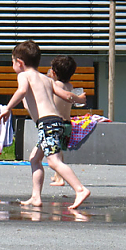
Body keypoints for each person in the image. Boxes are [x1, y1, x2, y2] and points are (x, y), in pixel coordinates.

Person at [0, 40, 90, 210]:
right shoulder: (46, 80)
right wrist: (80, 99)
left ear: (20, 62)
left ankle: (80, 189)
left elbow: (22, 91)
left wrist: (7, 108)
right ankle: (36, 196)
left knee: (53, 161)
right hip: (56, 122)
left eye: (12, 62)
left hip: (47, 124)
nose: (13, 66)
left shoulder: (23, 75)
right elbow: (65, 95)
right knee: (34, 158)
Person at [46, 55, 85, 186]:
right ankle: (57, 175)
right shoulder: (69, 85)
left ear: (54, 73)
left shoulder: (55, 85)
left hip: (56, 123)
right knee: (59, 151)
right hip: (67, 124)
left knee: (55, 154)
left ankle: (61, 178)